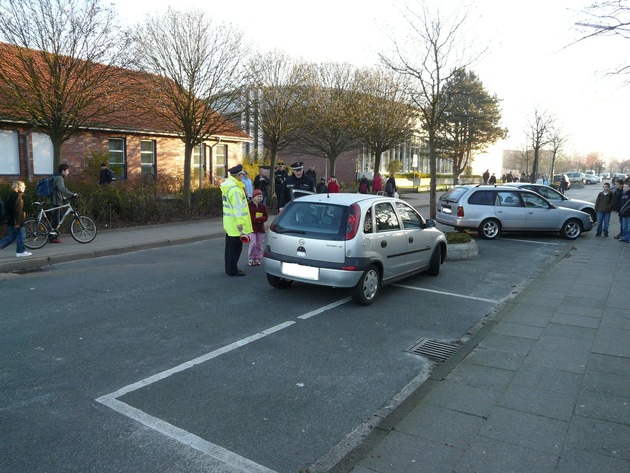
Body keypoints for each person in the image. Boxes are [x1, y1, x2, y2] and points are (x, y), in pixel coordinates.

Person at [220, 164, 252, 276]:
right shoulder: (235, 190)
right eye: (242, 174)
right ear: (238, 175)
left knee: (229, 248)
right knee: (235, 249)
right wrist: (241, 225)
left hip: (230, 223)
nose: (243, 176)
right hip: (236, 225)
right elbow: (238, 209)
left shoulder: (229, 187)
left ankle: (229, 268)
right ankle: (233, 270)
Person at [0, 180, 32, 257]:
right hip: (17, 221)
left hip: (11, 220)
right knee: (21, 235)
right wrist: (17, 222)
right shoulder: (18, 196)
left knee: (11, 237)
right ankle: (20, 251)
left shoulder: (13, 195)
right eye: (23, 186)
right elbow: (17, 210)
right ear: (18, 187)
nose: (24, 187)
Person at [48, 163, 77, 243]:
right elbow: (62, 189)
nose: (68, 172)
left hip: (56, 200)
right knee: (56, 220)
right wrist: (72, 194)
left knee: (59, 217)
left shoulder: (55, 176)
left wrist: (63, 197)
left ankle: (52, 234)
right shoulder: (59, 178)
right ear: (63, 171)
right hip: (55, 202)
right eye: (67, 171)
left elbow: (57, 190)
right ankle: (52, 237)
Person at [247, 189, 268, 266]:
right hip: (252, 228)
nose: (259, 198)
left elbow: (266, 216)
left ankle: (257, 258)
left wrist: (259, 219)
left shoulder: (263, 207)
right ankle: (251, 258)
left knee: (259, 244)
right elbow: (251, 218)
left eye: (260, 196)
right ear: (253, 198)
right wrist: (258, 219)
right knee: (253, 243)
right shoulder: (249, 206)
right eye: (258, 196)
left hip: (260, 228)